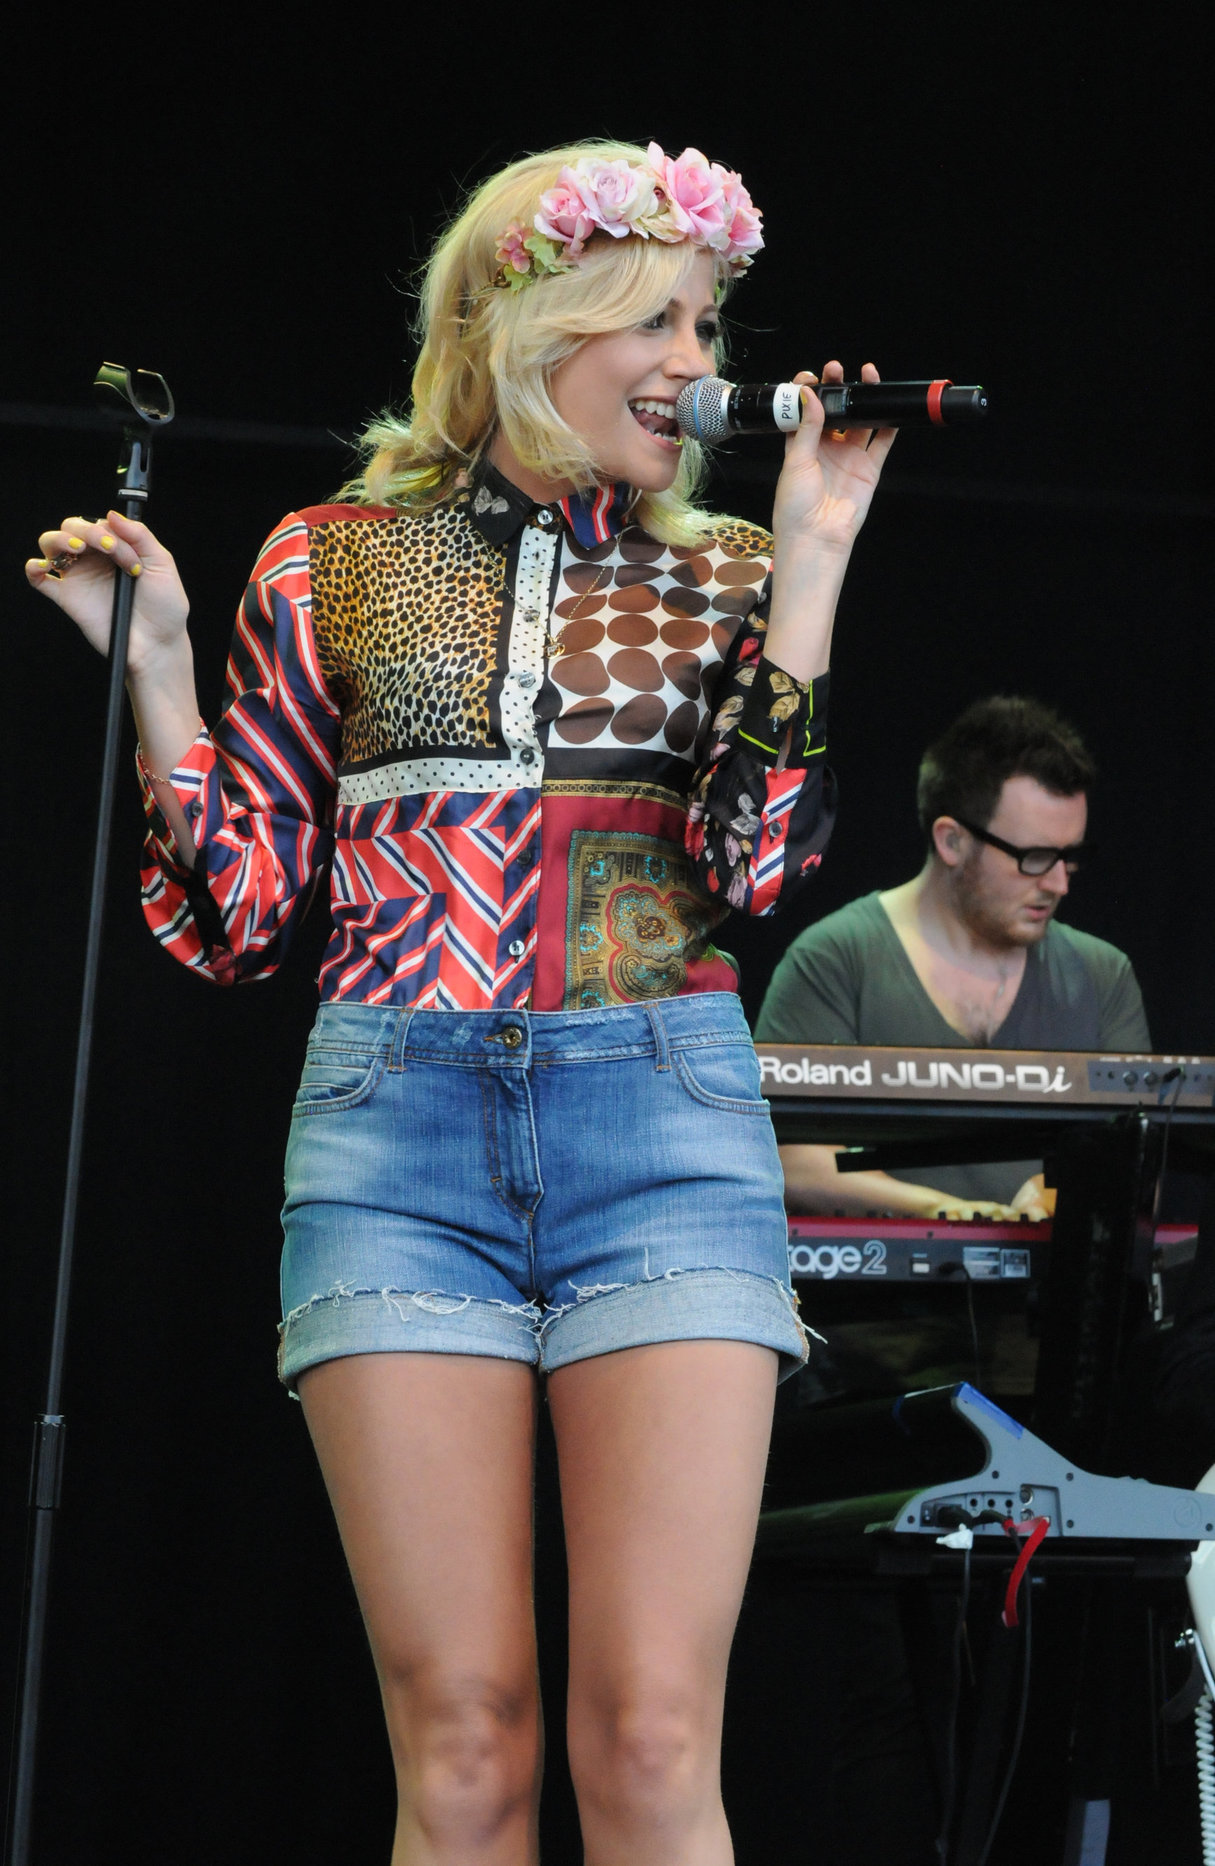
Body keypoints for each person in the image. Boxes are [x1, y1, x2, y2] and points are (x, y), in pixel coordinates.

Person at [28, 141, 894, 1865]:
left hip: (659, 1117)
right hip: (397, 1134)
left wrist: (812, 560)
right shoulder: (328, 558)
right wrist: (157, 673)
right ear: (533, 327)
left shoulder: (725, 566)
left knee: (650, 1738)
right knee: (469, 1745)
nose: (696, 363)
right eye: (659, 321)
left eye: (706, 325)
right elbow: (244, 918)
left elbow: (758, 864)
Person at [757, 695, 1151, 1222]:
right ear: (952, 841)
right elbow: (794, 1162)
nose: (1058, 883)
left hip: (1052, 1279)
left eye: (1070, 857)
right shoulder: (835, 961)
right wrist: (955, 1215)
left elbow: (1135, 1164)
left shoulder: (1104, 976)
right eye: (1035, 857)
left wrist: (1054, 1191)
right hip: (878, 1279)